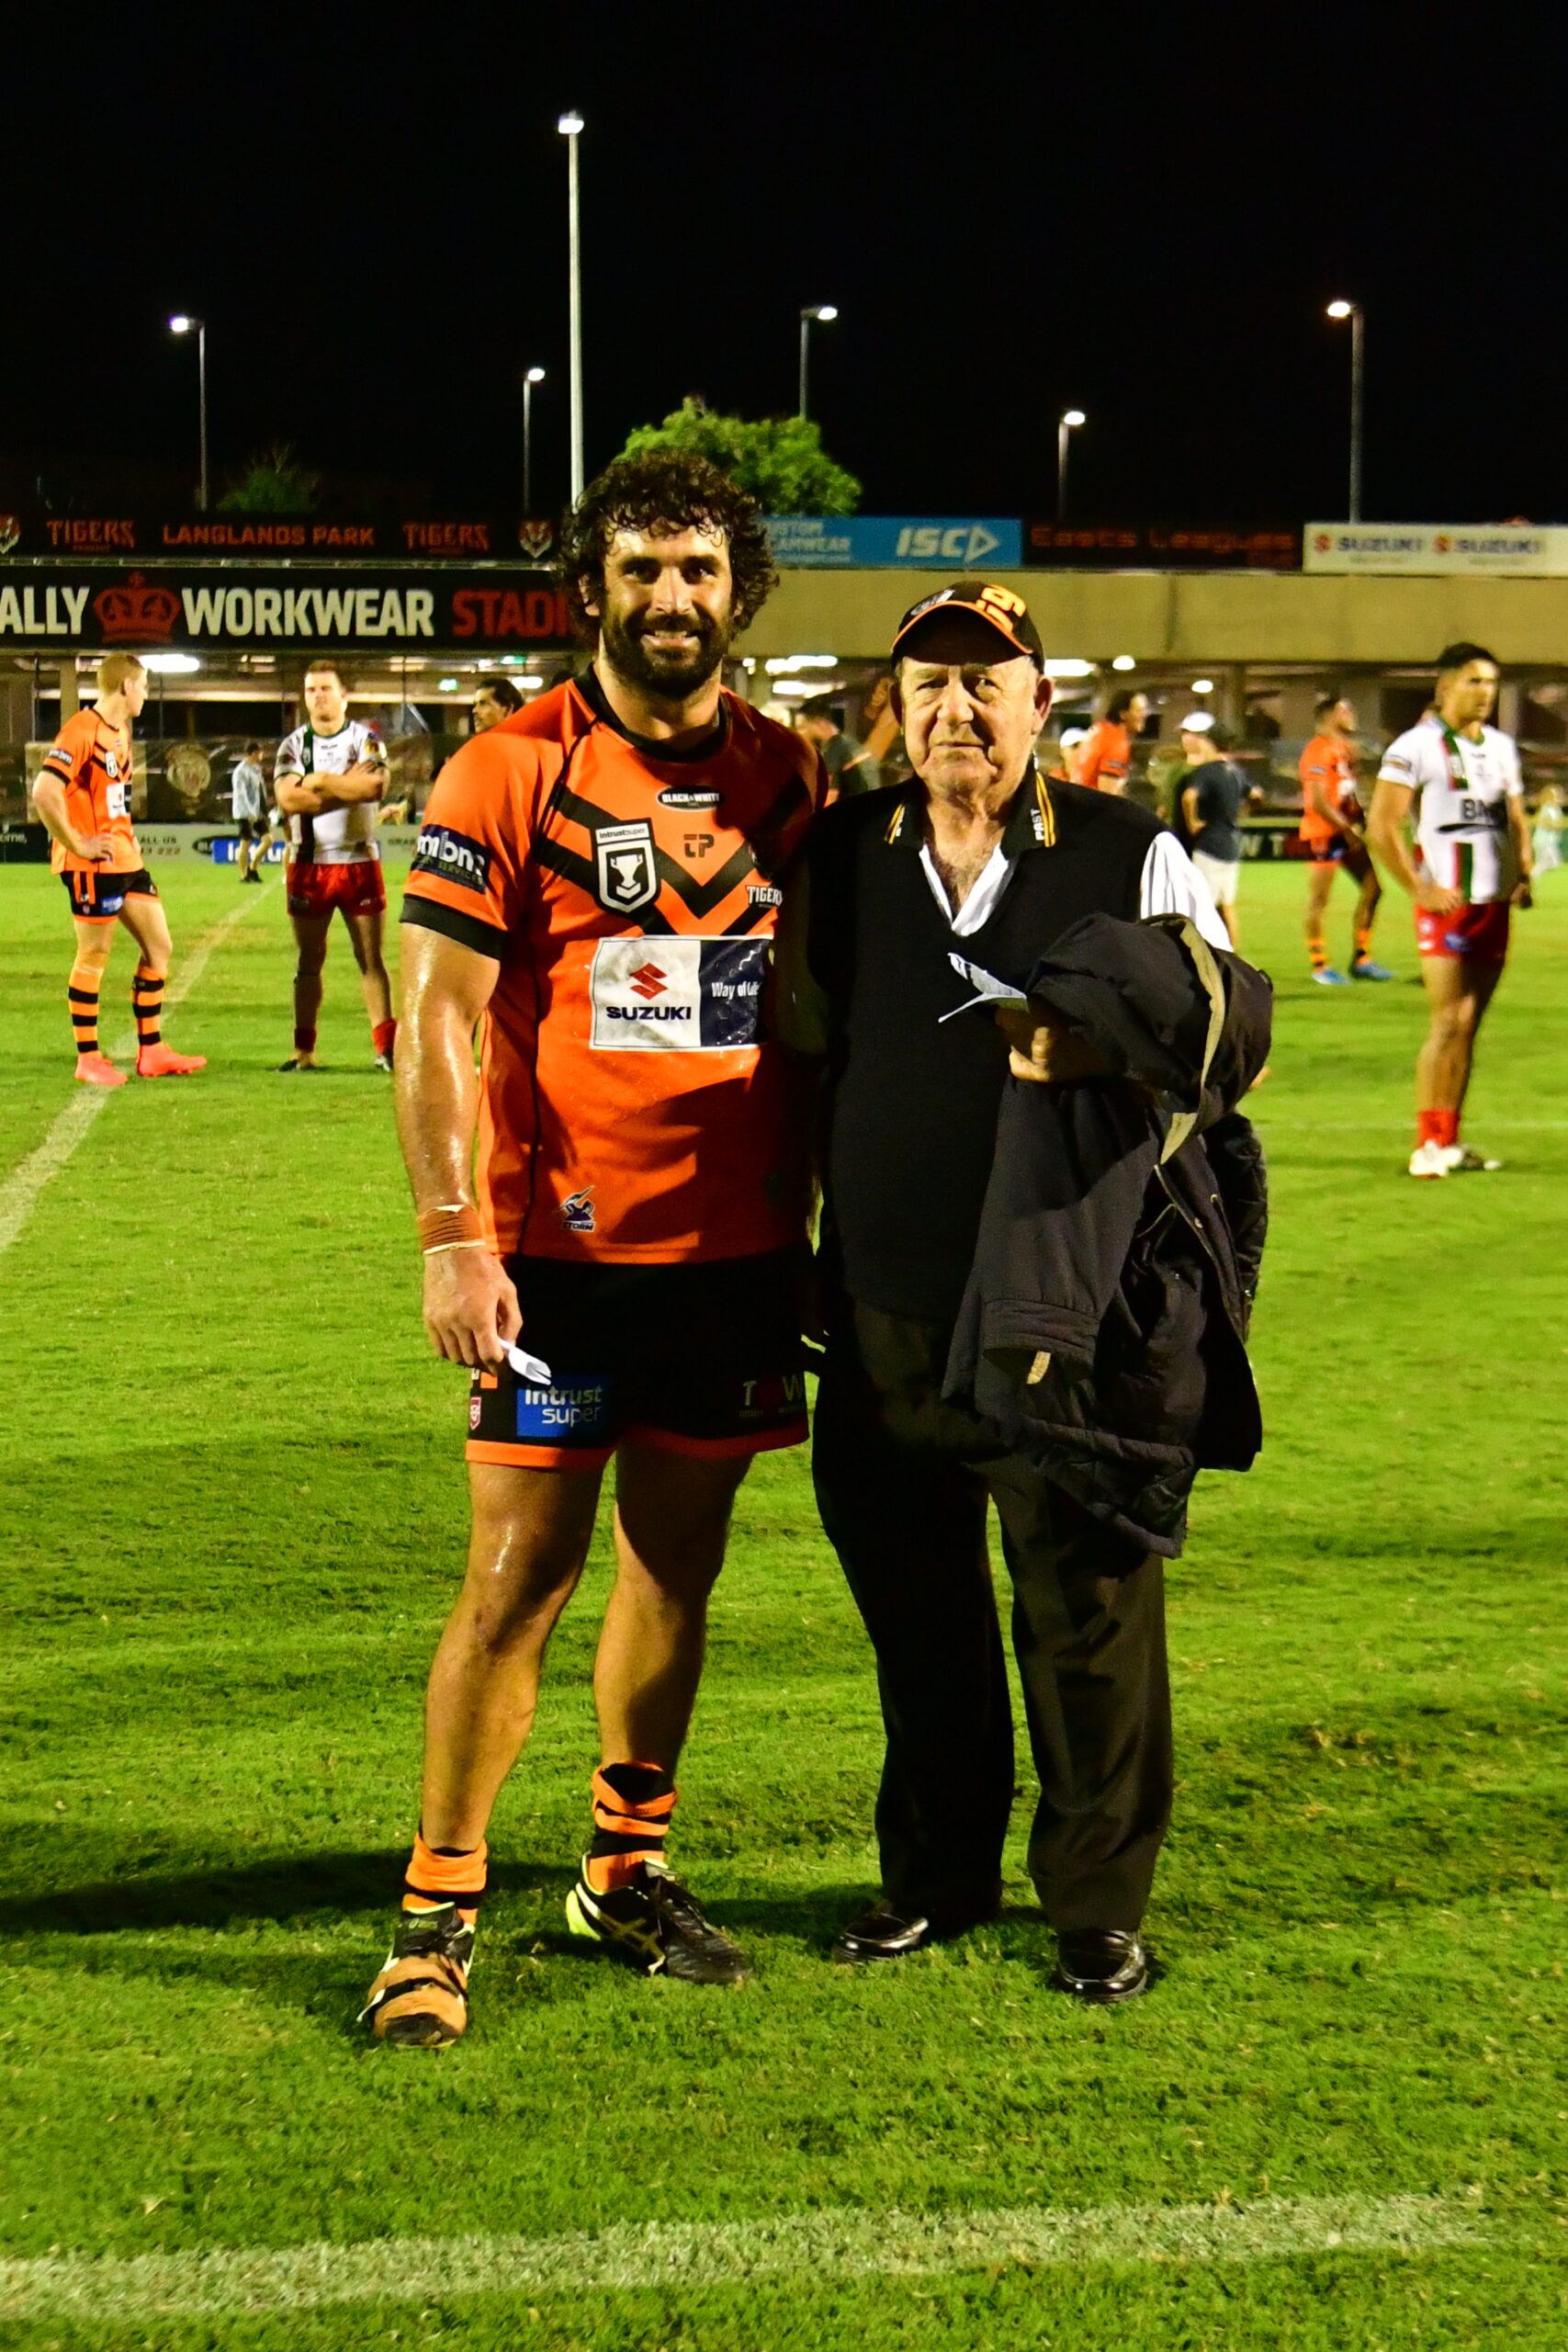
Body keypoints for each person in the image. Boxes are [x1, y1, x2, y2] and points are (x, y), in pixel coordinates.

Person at [360, 451, 825, 2048]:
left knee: (675, 1570)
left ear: (738, 592)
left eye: (697, 571)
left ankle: (622, 1871)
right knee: (514, 1582)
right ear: (591, 589)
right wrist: (452, 1236)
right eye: (640, 570)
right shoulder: (506, 771)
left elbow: (815, 1014)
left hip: (734, 1261)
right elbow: (436, 1018)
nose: (670, 598)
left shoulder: (788, 774)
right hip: (555, 1265)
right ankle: (435, 1910)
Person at [775, 581, 1270, 2005]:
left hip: (1063, 1320)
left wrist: (1102, 1050)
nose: (956, 709)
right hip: (880, 1313)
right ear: (893, 708)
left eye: (983, 683)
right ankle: (934, 1878)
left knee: (1085, 1623)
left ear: (1037, 705)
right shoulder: (841, 851)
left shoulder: (1125, 848)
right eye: (927, 684)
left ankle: (1096, 1907)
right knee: (917, 1619)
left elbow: (1226, 1037)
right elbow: (801, 1059)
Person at [1369, 643, 1532, 1179]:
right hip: (1448, 905)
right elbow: (1381, 826)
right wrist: (1419, 888)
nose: (1485, 692)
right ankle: (1426, 1145)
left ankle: (1450, 1139)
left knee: (1470, 1024)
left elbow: (1513, 815)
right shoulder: (1415, 746)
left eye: (1491, 683)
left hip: (1493, 905)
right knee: (1448, 1021)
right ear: (1445, 687)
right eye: (1473, 681)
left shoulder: (1502, 748)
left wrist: (1524, 870)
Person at [31, 652, 207, 1088]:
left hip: (125, 859)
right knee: (94, 954)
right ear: (126, 686)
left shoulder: (120, 733)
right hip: (91, 864)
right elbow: (45, 792)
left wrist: (124, 834)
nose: (145, 693)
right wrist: (78, 843)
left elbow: (110, 797)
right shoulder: (80, 731)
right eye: (143, 685)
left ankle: (152, 1050)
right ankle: (88, 1057)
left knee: (159, 947)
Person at [272, 661, 397, 1072]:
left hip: (359, 859)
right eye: (311, 690)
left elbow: (375, 786)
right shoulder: (293, 745)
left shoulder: (366, 740)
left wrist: (320, 781)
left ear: (344, 696)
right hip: (309, 864)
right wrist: (346, 785)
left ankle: (386, 1049)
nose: (318, 696)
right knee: (309, 960)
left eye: (326, 688)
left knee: (371, 958)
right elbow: (289, 800)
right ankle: (303, 1051)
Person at [1298, 693, 1390, 984]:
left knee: (1373, 888)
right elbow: (1319, 802)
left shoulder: (1346, 750)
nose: (1352, 714)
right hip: (1324, 834)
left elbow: (1347, 794)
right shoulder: (1318, 750)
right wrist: (1348, 831)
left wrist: (1361, 818)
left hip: (1346, 832)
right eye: (1345, 710)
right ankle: (1320, 966)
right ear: (1329, 716)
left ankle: (1361, 959)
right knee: (1320, 901)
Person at [1178, 714, 1262, 946]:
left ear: (1209, 742)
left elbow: (1189, 797)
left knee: (1202, 908)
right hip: (1231, 845)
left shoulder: (1206, 771)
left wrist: (1193, 822)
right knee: (1227, 908)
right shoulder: (1235, 771)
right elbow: (1257, 795)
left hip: (1210, 846)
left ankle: (1205, 956)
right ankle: (1232, 956)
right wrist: (1244, 811)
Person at [795, 692, 881, 796]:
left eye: (802, 728)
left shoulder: (833, 751)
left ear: (819, 723)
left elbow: (827, 798)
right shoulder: (848, 744)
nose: (799, 734)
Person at [1076, 686, 1148, 796]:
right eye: (1139, 711)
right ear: (1123, 714)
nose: (1144, 715)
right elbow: (1107, 796)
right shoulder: (1116, 743)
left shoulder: (1100, 730)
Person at [231, 740, 269, 883]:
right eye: (260, 752)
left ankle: (253, 868)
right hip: (244, 812)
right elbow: (242, 795)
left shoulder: (256, 769)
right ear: (254, 753)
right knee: (245, 842)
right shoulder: (240, 771)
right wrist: (251, 813)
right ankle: (244, 875)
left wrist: (263, 810)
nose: (262, 755)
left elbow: (260, 792)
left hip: (257, 812)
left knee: (268, 840)